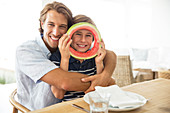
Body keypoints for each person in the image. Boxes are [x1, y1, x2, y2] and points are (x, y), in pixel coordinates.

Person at [15, 1, 117, 111]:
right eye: (51, 24)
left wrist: (105, 75)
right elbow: (65, 83)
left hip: (72, 107)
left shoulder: (68, 50)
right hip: (38, 110)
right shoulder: (26, 50)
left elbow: (110, 54)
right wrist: (105, 82)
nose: (56, 32)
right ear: (42, 24)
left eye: (62, 26)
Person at [50, 15, 106, 100]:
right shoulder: (57, 57)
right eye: (78, 34)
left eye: (88, 35)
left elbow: (101, 89)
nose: (83, 40)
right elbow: (58, 94)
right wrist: (65, 59)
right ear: (70, 36)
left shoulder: (95, 57)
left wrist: (99, 63)